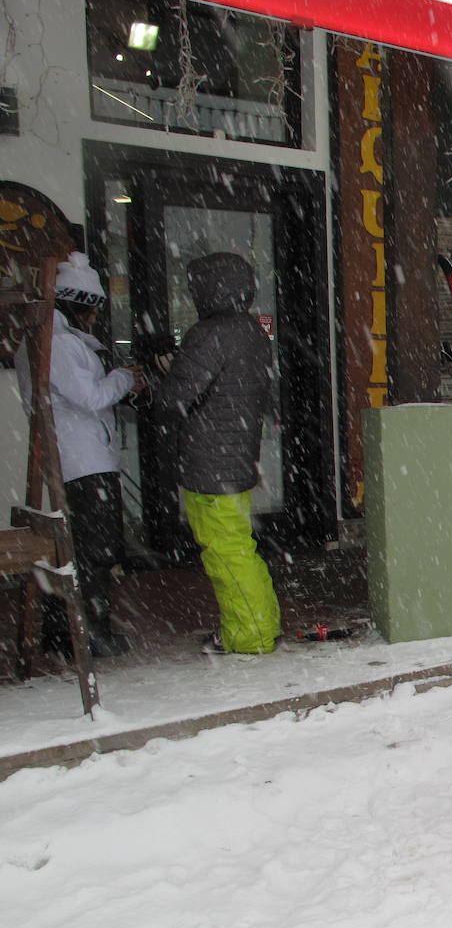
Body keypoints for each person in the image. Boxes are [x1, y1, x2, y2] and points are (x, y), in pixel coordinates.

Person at [15, 252, 144, 657]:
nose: (93, 319)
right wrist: (125, 377)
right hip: (85, 460)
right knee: (95, 553)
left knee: (74, 551)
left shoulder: (44, 338)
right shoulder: (61, 344)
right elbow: (91, 396)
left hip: (73, 457)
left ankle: (65, 633)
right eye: (90, 311)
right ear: (76, 305)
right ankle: (89, 635)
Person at [155, 252, 280, 655]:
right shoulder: (252, 331)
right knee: (240, 548)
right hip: (237, 457)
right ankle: (262, 625)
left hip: (209, 463)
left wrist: (161, 375)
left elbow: (176, 398)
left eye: (195, 286)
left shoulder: (209, 334)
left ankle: (249, 636)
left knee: (225, 553)